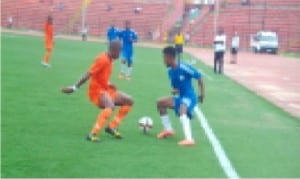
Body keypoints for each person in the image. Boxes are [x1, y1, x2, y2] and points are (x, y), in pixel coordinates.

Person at [61, 41, 133, 142]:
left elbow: (100, 75)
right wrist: (74, 88)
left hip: (105, 89)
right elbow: (88, 74)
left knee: (129, 100)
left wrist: (108, 83)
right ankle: (92, 134)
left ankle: (111, 127)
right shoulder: (102, 59)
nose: (120, 54)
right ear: (114, 51)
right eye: (119, 52)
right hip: (97, 91)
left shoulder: (110, 59)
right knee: (110, 106)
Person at [156, 46, 205, 146]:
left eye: (164, 58)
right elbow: (176, 89)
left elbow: (199, 77)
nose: (164, 61)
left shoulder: (183, 67)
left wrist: (202, 94)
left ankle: (189, 139)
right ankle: (168, 129)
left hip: (190, 97)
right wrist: (175, 91)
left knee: (183, 106)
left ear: (170, 57)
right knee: (160, 103)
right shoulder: (170, 71)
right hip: (181, 97)